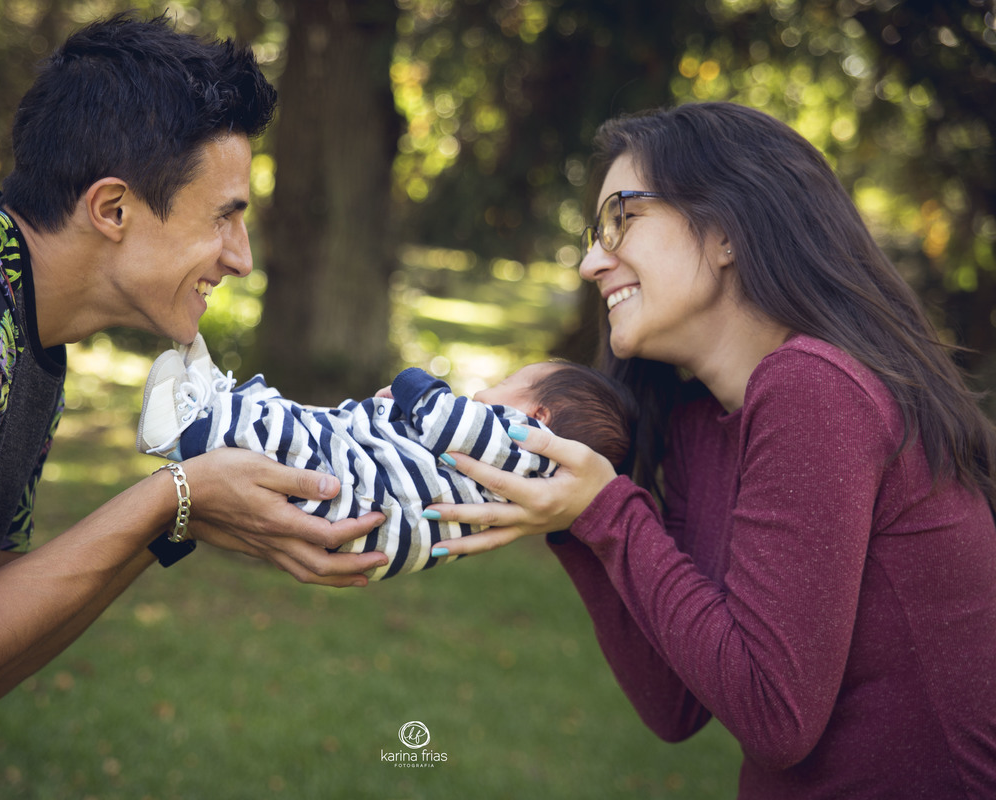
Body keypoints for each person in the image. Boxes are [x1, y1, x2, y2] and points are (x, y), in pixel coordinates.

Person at [0, 13, 389, 750]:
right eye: (224, 218)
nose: (241, 258)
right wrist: (175, 496)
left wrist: (177, 517)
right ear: (113, 208)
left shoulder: (25, 338)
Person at [424, 102, 996, 797]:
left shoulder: (813, 388)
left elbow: (776, 717)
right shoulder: (705, 421)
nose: (588, 262)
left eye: (621, 219)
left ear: (726, 231)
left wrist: (607, 510)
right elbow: (674, 703)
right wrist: (575, 521)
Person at [136, 335, 636, 579]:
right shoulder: (524, 483)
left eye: (505, 385)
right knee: (302, 424)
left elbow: (444, 417)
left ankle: (186, 431)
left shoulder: (521, 443)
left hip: (357, 497)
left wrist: (414, 384)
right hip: (371, 517)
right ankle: (214, 405)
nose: (484, 392)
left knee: (298, 440)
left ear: (539, 415)